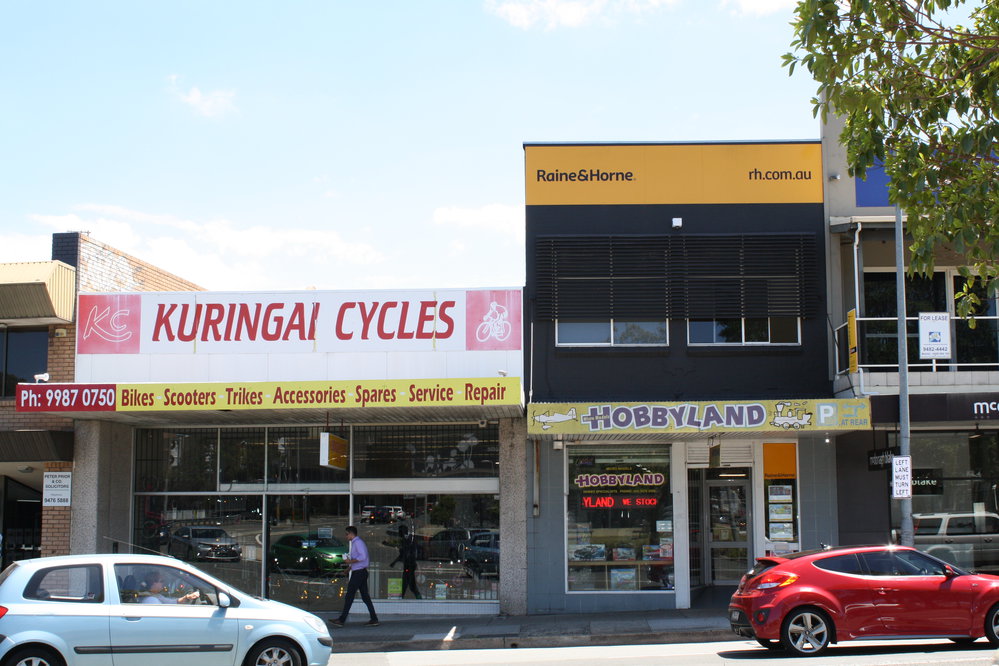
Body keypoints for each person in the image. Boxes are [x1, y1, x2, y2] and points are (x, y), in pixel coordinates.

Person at [329, 525, 379, 627]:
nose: (346, 536)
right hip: (360, 572)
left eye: (347, 534)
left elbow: (363, 556)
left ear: (351, 534)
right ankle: (374, 619)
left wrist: (349, 562)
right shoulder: (357, 543)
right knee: (365, 597)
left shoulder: (358, 543)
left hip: (359, 573)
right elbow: (360, 559)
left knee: (350, 595)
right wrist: (348, 569)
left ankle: (341, 620)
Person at [389, 524, 421, 599]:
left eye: (400, 531)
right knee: (409, 584)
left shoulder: (408, 540)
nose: (398, 533)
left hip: (409, 565)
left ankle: (406, 597)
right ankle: (409, 596)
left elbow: (404, 554)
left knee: (409, 584)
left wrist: (394, 562)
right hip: (409, 565)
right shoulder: (407, 539)